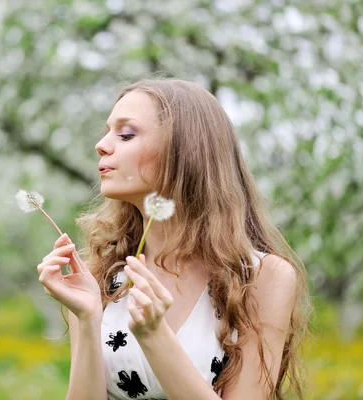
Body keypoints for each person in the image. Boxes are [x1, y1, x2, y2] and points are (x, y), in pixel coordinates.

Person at [36, 78, 312, 400]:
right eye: (107, 131)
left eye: (126, 134)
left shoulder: (263, 277)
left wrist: (155, 337)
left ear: (184, 151)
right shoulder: (102, 274)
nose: (102, 144)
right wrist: (86, 317)